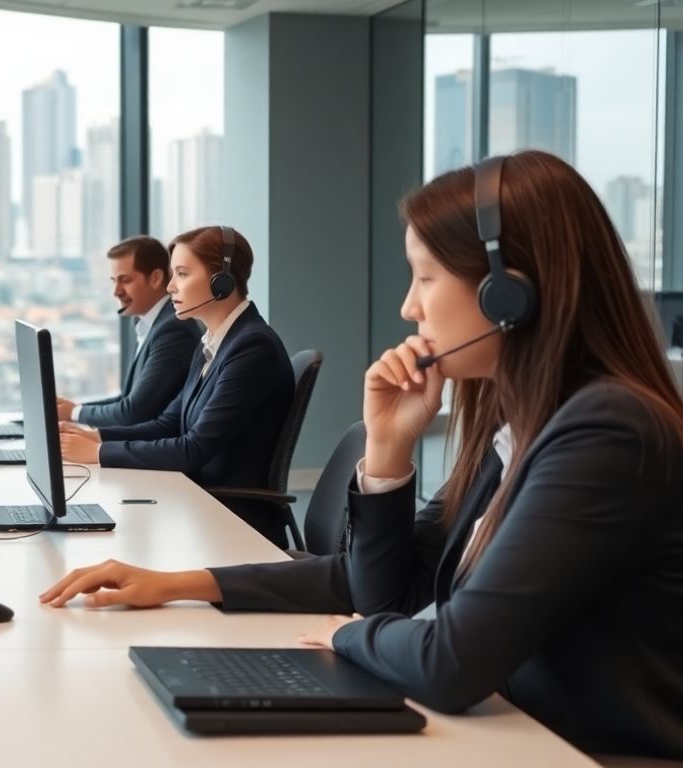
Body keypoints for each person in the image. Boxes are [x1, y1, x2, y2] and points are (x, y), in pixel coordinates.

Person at [40, 151, 683, 760]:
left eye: (426, 277)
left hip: (579, 755)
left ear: (507, 296)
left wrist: (344, 635)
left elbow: (448, 661)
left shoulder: (607, 433)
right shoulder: (522, 431)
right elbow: (378, 588)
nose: (409, 306)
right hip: (509, 736)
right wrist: (386, 453)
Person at [58, 226, 295, 546]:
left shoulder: (252, 348)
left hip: (231, 521)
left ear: (221, 282)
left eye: (182, 274)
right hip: (198, 501)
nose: (170, 287)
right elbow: (168, 423)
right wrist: (96, 436)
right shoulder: (212, 341)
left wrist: (98, 452)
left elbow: (193, 449)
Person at [55, 236, 198, 427]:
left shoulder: (173, 330)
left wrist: (74, 413)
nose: (116, 291)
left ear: (156, 278)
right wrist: (73, 410)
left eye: (125, 280)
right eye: (114, 281)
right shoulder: (153, 324)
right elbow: (127, 400)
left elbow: (133, 412)